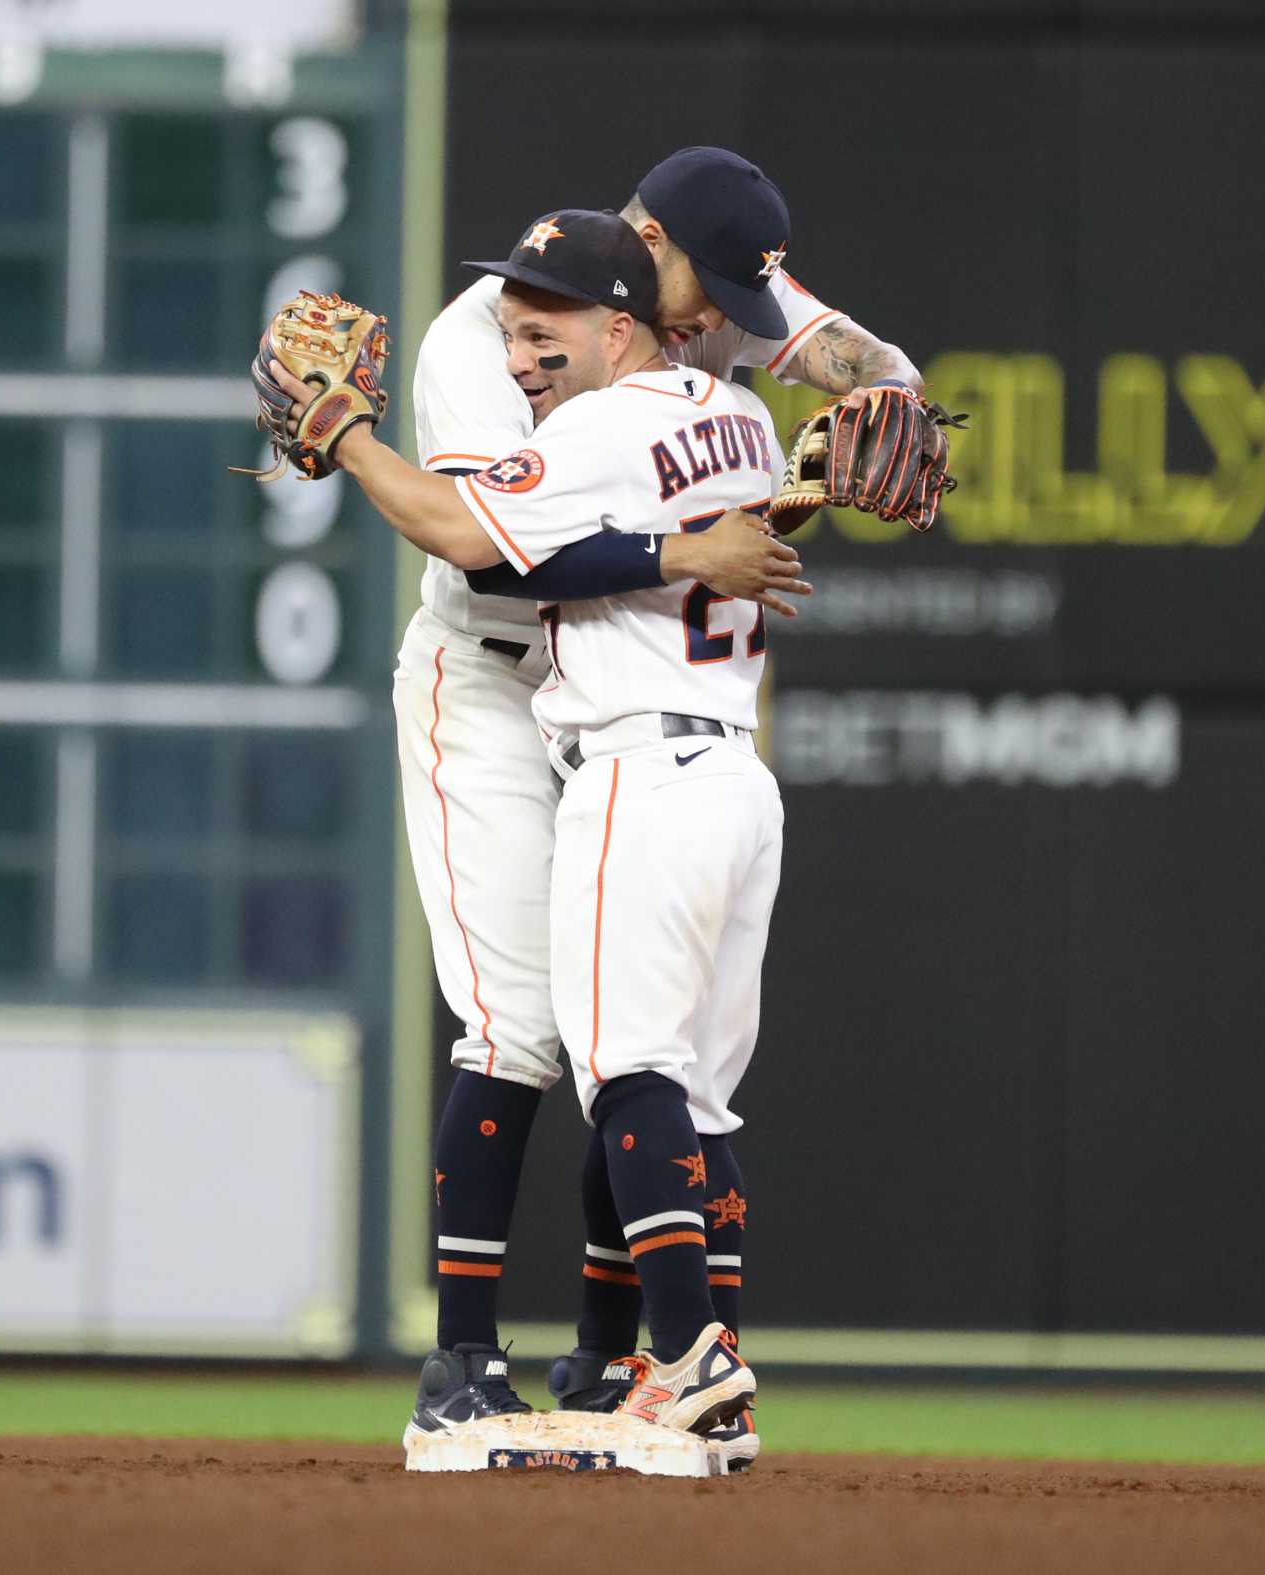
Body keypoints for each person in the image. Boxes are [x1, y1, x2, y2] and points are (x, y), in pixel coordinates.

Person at [391, 149, 921, 1459]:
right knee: (524, 1026)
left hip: (634, 700)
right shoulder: (493, 341)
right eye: (705, 284)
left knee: (631, 1047)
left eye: (743, 292)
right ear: (637, 257)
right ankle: (465, 1359)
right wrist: (694, 544)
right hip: (499, 673)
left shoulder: (699, 315)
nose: (721, 318)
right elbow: (489, 555)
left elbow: (862, 359)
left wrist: (894, 405)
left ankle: (620, 1363)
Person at [290, 209, 797, 1443]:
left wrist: (344, 436)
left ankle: (658, 1360)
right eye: (514, 325)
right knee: (559, 1041)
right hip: (547, 698)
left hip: (622, 737)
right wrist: (732, 524)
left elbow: (482, 532)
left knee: (623, 1063)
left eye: (544, 330)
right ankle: (525, 1359)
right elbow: (493, 567)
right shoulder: (713, 410)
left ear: (619, 317)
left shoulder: (632, 402)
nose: (521, 353)